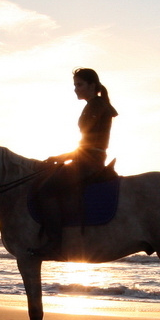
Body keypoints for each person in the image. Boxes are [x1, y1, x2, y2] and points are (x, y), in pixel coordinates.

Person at [31, 68, 118, 257]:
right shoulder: (95, 105)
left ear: (92, 85)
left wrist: (62, 157)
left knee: (46, 191)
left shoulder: (96, 106)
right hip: (87, 158)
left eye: (79, 85)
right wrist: (62, 157)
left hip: (88, 162)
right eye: (75, 85)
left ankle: (55, 242)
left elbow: (87, 145)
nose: (75, 89)